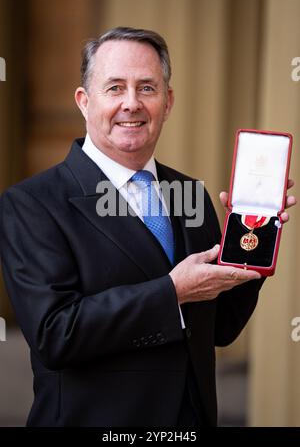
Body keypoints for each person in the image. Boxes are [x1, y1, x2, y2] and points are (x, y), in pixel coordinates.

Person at [0, 27, 296, 427]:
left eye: (147, 88)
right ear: (84, 102)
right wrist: (172, 292)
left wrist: (253, 240)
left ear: (168, 101)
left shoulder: (189, 193)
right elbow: (56, 334)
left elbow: (220, 328)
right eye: (115, 88)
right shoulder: (32, 204)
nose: (131, 104)